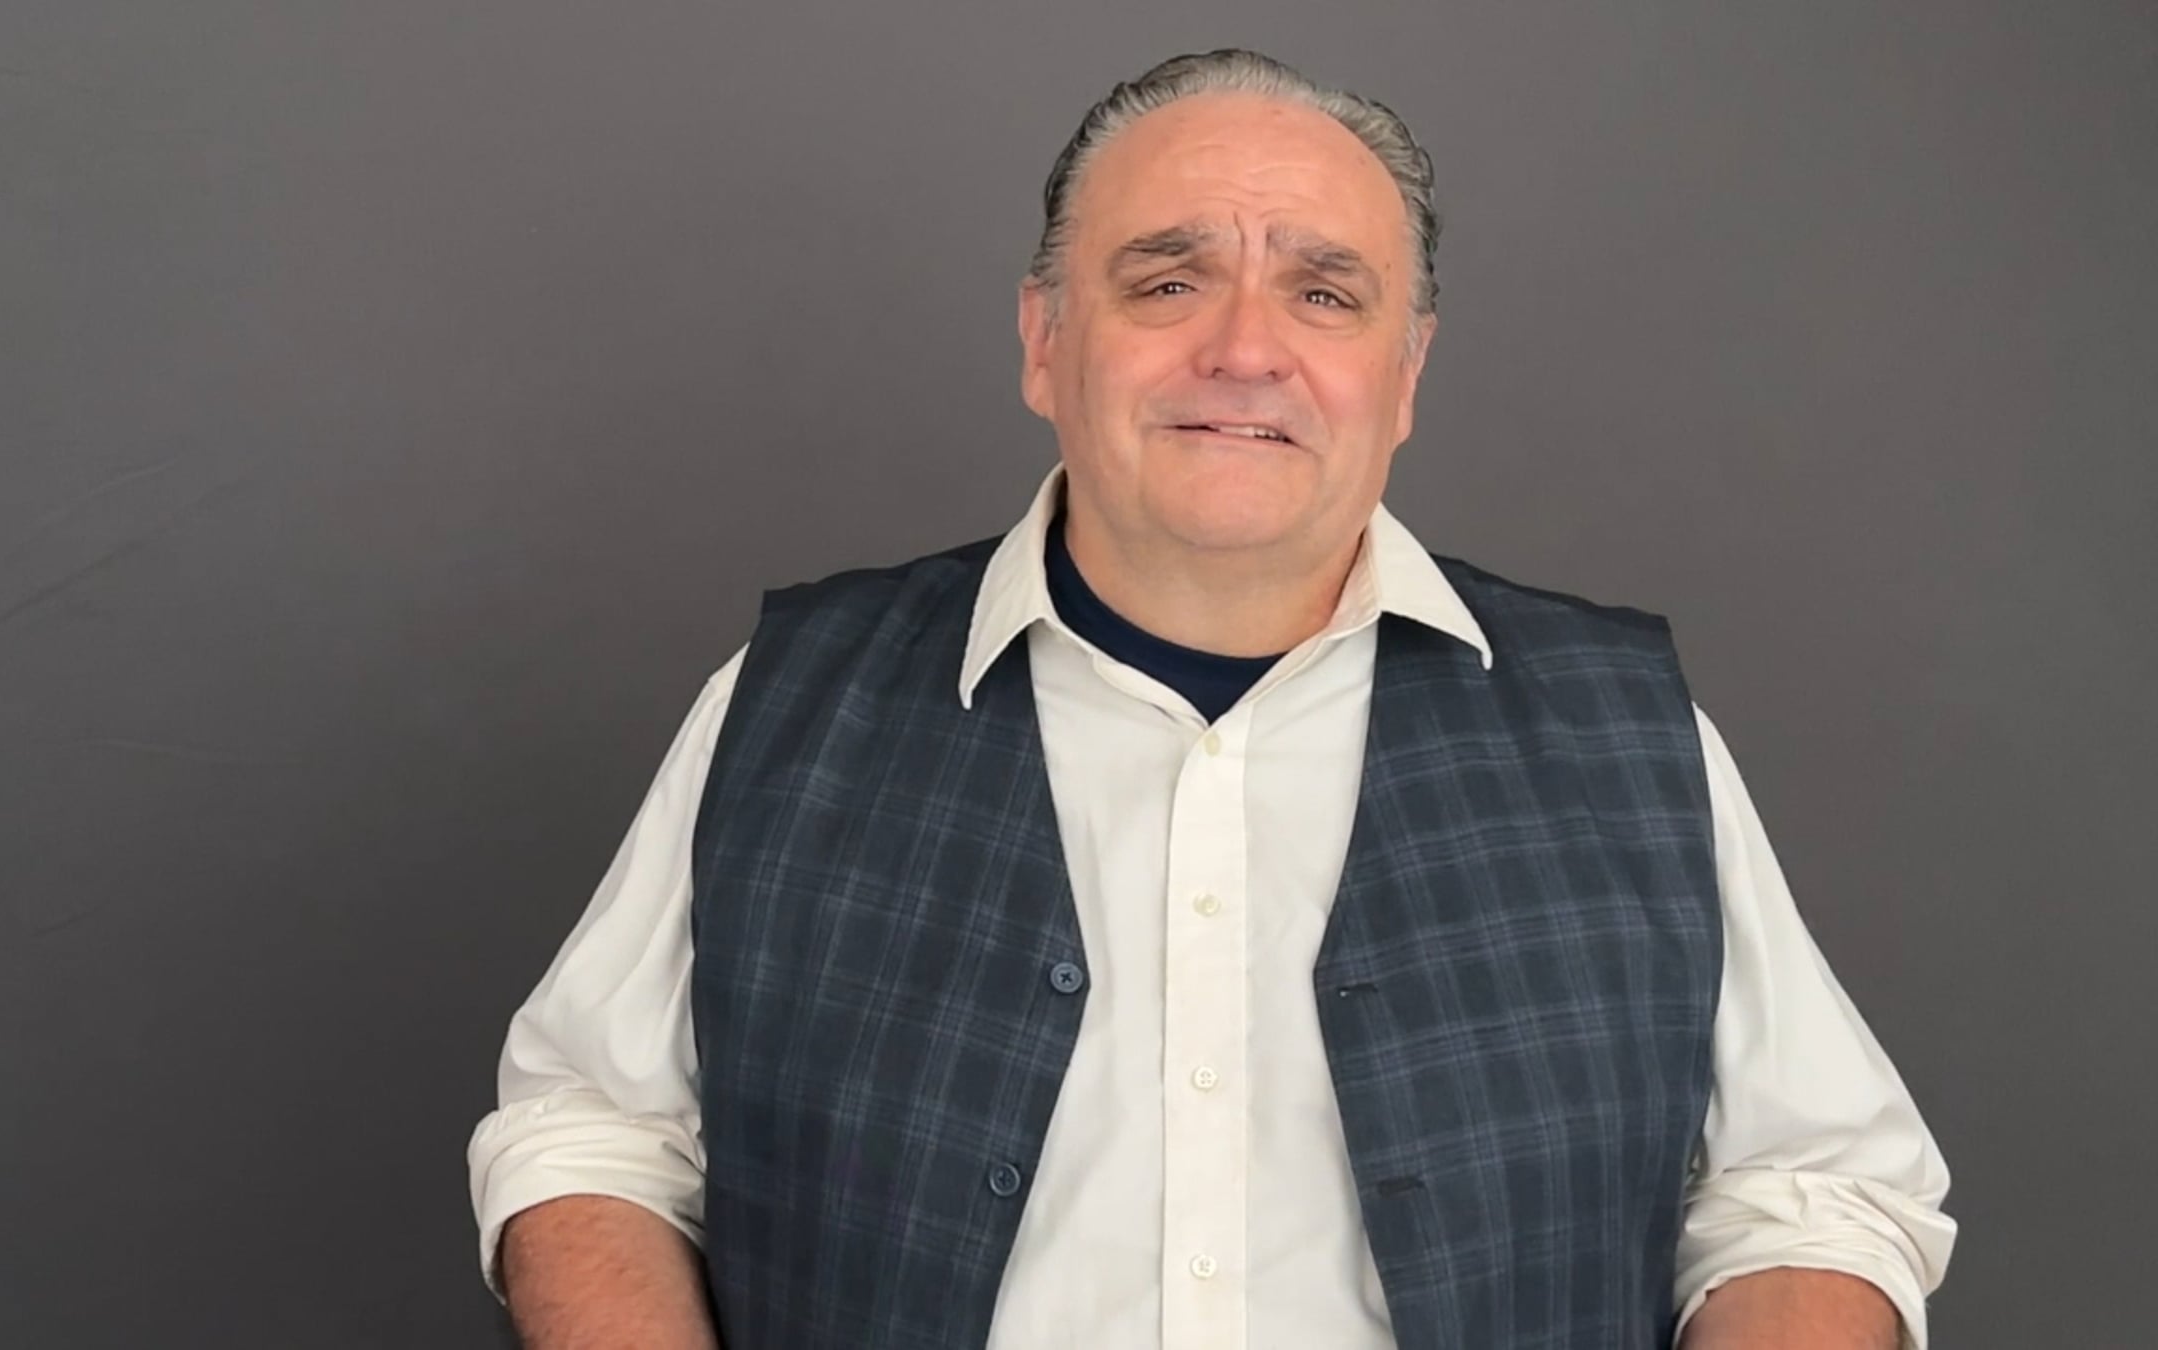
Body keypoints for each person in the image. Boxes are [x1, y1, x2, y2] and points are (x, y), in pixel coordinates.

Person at [465, 48, 1955, 1350]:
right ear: (1046, 341)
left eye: (1324, 292)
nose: (1246, 349)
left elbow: (1814, 1189)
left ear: (1406, 373)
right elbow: (593, 1128)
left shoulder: (1626, 736)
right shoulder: (792, 703)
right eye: (1168, 280)